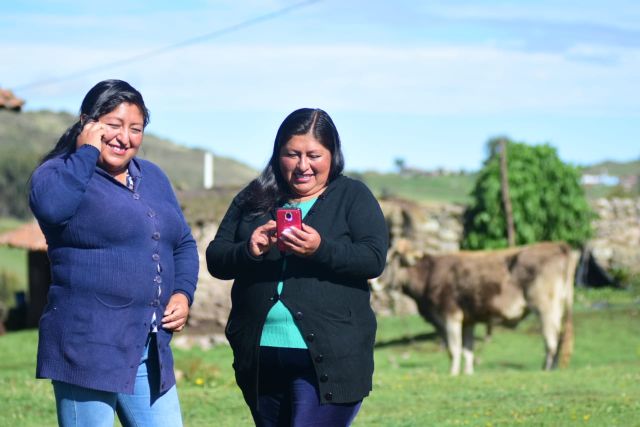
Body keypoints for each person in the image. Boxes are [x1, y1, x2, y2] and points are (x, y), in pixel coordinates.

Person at [29, 79, 199, 427]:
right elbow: (51, 208)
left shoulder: (152, 176)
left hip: (147, 349)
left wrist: (182, 293)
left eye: (135, 129)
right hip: (87, 347)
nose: (125, 137)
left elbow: (182, 242)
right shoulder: (57, 174)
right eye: (113, 125)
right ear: (86, 123)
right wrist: (86, 153)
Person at [206, 108, 388, 426]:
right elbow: (216, 258)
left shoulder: (352, 196)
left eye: (314, 155)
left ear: (333, 155)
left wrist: (321, 249)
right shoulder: (254, 197)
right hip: (261, 359)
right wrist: (250, 249)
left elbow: (373, 258)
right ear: (278, 154)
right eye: (292, 154)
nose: (303, 166)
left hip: (332, 359)